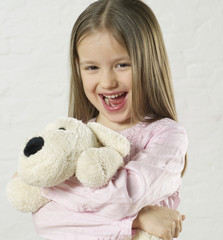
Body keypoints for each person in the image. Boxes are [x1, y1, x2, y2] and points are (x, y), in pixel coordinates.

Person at [31, 0, 188, 239]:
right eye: (92, 67)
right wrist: (138, 220)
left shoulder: (166, 136)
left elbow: (126, 195)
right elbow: (47, 221)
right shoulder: (78, 137)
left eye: (122, 64)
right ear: (78, 69)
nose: (107, 82)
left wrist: (48, 187)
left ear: (149, 63)